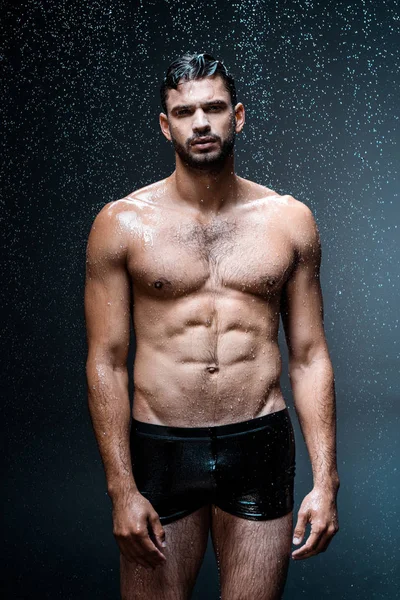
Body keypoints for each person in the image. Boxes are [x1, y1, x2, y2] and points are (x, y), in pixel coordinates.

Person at [84, 52, 340, 600]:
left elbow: (310, 353)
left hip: (260, 442)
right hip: (162, 447)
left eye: (215, 108)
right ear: (165, 124)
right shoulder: (121, 224)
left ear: (238, 116)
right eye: (184, 112)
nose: (201, 123)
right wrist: (120, 488)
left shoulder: (288, 220)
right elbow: (105, 360)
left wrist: (326, 480)